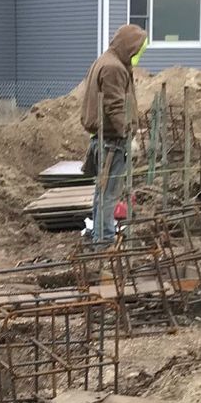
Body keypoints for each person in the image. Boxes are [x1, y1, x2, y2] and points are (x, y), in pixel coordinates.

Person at [79, 24, 147, 245]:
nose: (138, 55)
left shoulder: (106, 60)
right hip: (112, 142)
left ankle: (99, 234)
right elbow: (115, 106)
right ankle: (105, 239)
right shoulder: (114, 68)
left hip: (103, 139)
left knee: (102, 192)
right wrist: (128, 135)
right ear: (129, 47)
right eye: (138, 50)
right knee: (108, 194)